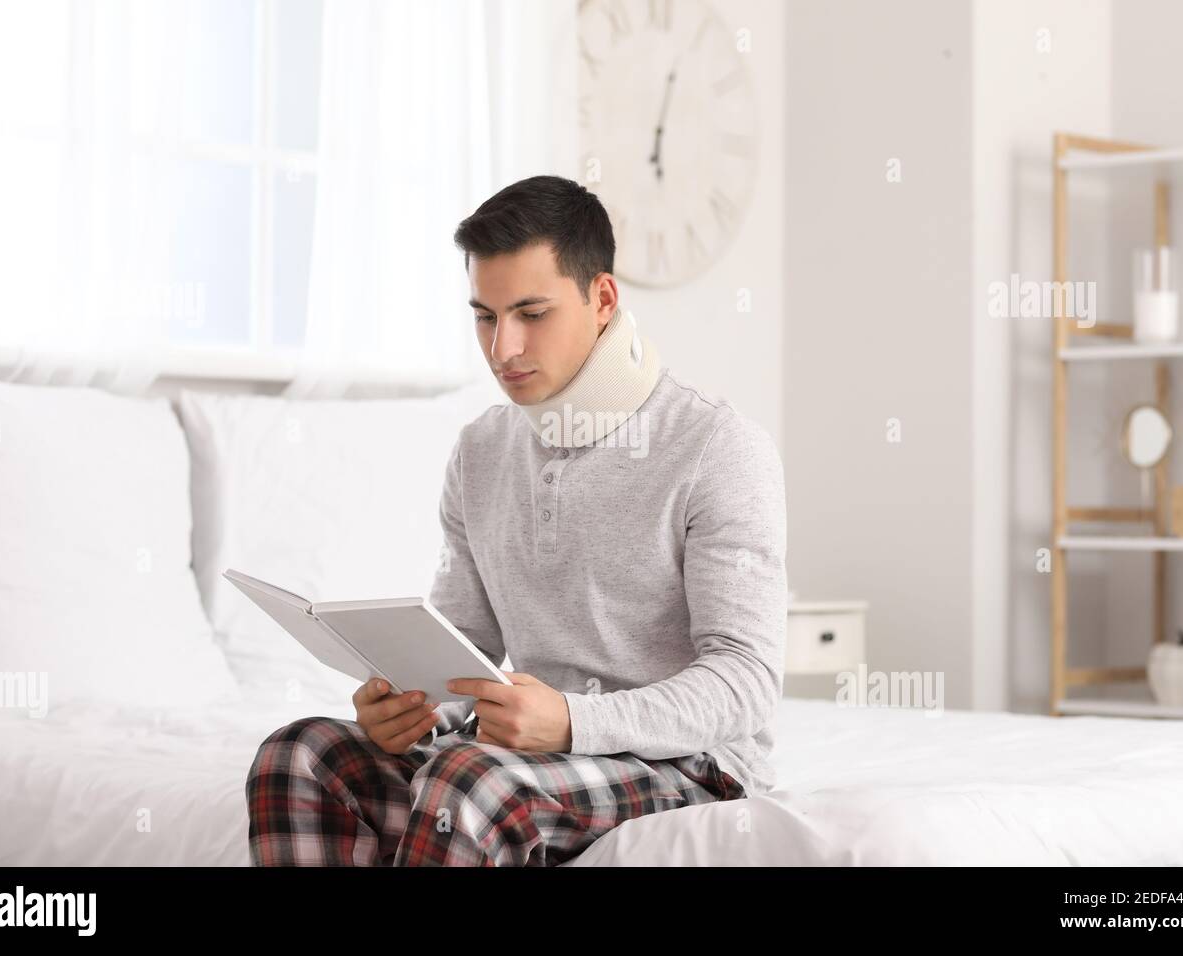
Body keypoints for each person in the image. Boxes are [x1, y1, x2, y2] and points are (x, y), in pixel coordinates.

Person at [245, 174, 787, 866]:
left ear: (602, 299)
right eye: (485, 316)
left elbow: (745, 681)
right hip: (522, 756)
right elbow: (461, 647)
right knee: (300, 755)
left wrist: (572, 719)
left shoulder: (718, 448)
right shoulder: (482, 450)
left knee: (466, 781)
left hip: (690, 766)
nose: (504, 348)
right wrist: (410, 711)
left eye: (532, 314)